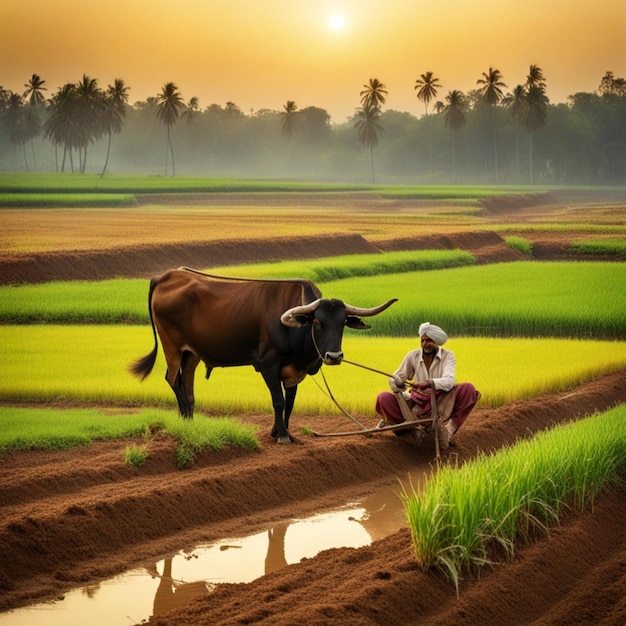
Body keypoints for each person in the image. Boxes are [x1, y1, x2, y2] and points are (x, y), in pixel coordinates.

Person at [375, 322, 479, 449]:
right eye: (423, 341)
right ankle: (409, 431)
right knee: (383, 398)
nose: (425, 344)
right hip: (417, 401)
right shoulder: (412, 356)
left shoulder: (448, 356)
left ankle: (448, 432)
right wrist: (397, 383)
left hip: (442, 399)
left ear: (436, 341)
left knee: (469, 389)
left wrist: (429, 383)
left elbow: (449, 381)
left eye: (429, 340)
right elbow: (395, 378)